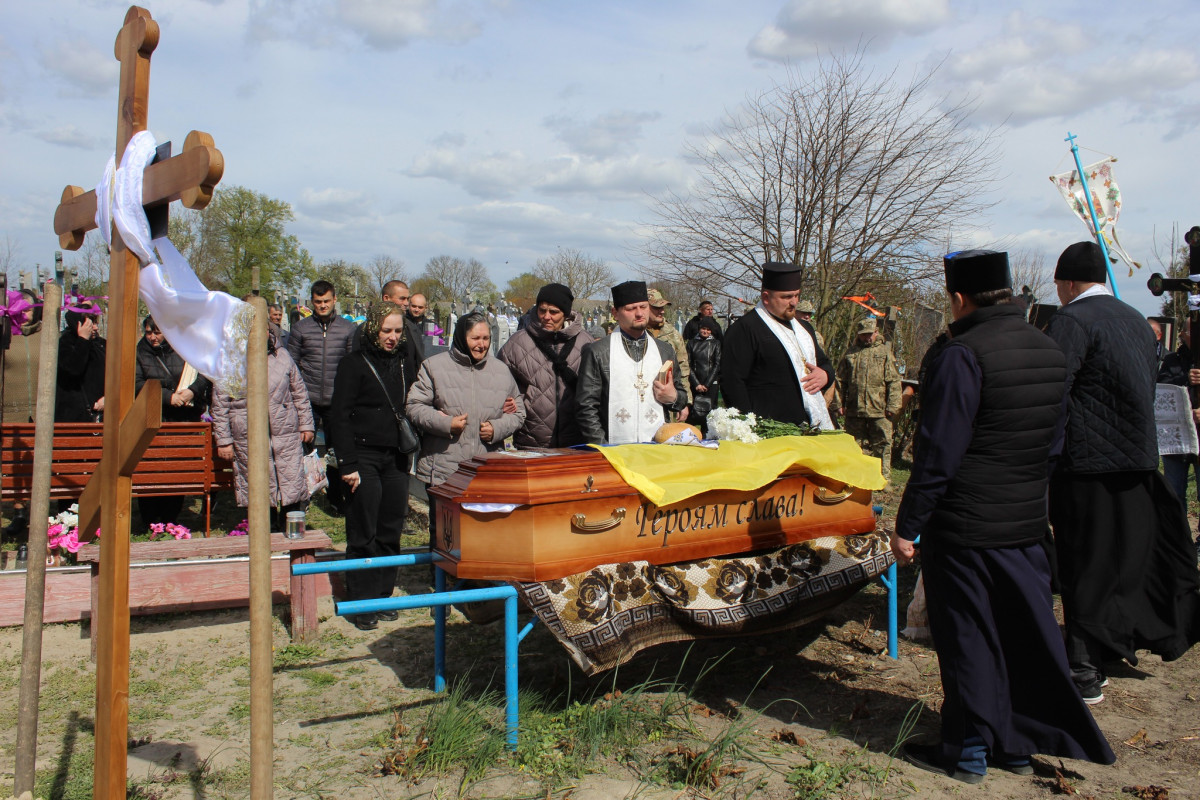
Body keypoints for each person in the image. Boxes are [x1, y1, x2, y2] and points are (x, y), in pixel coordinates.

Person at [893, 249, 1115, 784]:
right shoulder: (1047, 347)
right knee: (1017, 632)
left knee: (969, 635)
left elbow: (938, 451)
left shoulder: (961, 355)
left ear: (959, 298)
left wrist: (908, 525)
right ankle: (1013, 744)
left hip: (966, 525)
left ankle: (968, 748)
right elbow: (1053, 442)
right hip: (1024, 520)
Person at [1046, 241, 1200, 703]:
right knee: (1118, 562)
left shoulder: (1071, 322)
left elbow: (1056, 390)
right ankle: (1111, 646)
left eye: (1059, 284)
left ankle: (1083, 666)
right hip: (1136, 459)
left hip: (1087, 463)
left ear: (1070, 282)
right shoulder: (1135, 319)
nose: (1058, 291)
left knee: (1082, 562)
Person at [329, 302, 422, 631]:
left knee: (390, 528)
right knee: (364, 529)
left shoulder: (402, 364)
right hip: (363, 457)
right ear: (372, 330)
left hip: (395, 456)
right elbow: (338, 416)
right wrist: (347, 464)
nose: (392, 337)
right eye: (386, 330)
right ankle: (361, 600)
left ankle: (382, 594)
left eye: (398, 331)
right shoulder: (353, 364)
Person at [407, 311, 525, 533]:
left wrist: (497, 428)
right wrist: (446, 424)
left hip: (486, 469)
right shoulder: (434, 367)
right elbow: (414, 406)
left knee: (482, 535)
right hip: (444, 468)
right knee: (445, 534)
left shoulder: (501, 370)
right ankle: (439, 569)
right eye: (475, 338)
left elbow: (519, 412)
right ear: (462, 337)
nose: (482, 345)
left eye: (486, 338)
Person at [212, 327, 314, 532]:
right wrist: (224, 440)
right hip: (248, 436)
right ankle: (266, 535)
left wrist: (306, 424)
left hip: (285, 433)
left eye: (263, 329)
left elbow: (299, 392)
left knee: (291, 483)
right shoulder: (230, 362)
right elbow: (220, 404)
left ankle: (291, 532)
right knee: (259, 488)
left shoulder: (282, 356)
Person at [721, 262, 833, 429]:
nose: (794, 303)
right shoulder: (744, 330)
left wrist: (825, 375)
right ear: (766, 297)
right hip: (771, 428)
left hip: (812, 426)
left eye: (796, 295)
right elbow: (732, 383)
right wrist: (748, 427)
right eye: (787, 297)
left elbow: (824, 364)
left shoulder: (805, 328)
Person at [576, 281, 689, 444]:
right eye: (631, 309)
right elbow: (586, 407)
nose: (639, 313)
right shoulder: (598, 352)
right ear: (615, 313)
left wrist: (674, 397)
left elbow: (681, 396)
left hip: (657, 449)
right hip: (614, 450)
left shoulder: (664, 351)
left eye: (643, 307)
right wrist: (604, 448)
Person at [288, 280, 358, 514]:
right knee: (302, 450)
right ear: (312, 302)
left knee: (337, 450)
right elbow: (293, 364)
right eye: (318, 302)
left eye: (327, 301)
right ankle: (301, 498)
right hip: (308, 398)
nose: (323, 305)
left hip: (336, 400)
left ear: (334, 300)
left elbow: (351, 365)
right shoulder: (301, 329)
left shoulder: (347, 329)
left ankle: (337, 500)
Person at [134, 315, 212, 524]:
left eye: (157, 332)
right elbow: (137, 383)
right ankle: (150, 517)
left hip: (183, 419)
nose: (152, 337)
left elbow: (204, 372)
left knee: (177, 465)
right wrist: (168, 397)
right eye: (148, 332)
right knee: (151, 467)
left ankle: (171, 516)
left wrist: (192, 391)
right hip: (153, 418)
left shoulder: (184, 347)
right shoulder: (140, 352)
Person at [497, 282, 594, 448]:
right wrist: (511, 402)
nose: (546, 316)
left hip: (576, 443)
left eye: (554, 312)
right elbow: (498, 386)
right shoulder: (517, 343)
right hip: (530, 443)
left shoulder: (586, 343)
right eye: (542, 310)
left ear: (565, 313)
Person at [837, 317, 902, 479]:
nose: (867, 338)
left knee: (882, 445)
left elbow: (894, 381)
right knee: (852, 446)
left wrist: (893, 406)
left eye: (869, 334)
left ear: (876, 332)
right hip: (854, 409)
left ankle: (882, 478)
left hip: (880, 410)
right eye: (863, 335)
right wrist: (839, 404)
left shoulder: (885, 353)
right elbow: (840, 381)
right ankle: (853, 477)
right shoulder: (850, 353)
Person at [1158, 318, 1200, 522]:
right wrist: (1185, 380)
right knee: (1174, 491)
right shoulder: (1172, 360)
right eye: (1192, 331)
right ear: (1183, 335)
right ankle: (1179, 540)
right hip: (1176, 437)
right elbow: (1161, 390)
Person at [55, 305, 105, 423]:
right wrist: (83, 340)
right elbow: (73, 369)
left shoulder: (101, 344)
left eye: (96, 323)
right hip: (73, 417)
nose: (95, 328)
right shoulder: (65, 343)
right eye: (90, 323)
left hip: (101, 416)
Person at [2, 288, 44, 424]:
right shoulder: (4, 336)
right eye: (17, 309)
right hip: (9, 417)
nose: (22, 315)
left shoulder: (46, 335)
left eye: (26, 310)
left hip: (42, 417)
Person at [647, 288, 691, 409]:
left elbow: (683, 368)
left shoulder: (672, 334)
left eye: (663, 308)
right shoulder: (636, 334)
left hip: (668, 399)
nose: (661, 311)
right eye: (656, 307)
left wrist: (685, 402)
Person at [686, 316, 721, 435]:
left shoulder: (716, 344)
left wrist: (707, 384)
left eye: (708, 329)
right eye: (703, 329)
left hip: (711, 384)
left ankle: (708, 436)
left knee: (709, 414)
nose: (705, 331)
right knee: (694, 412)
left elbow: (717, 364)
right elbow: (688, 364)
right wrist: (696, 384)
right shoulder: (691, 343)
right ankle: (691, 435)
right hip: (695, 383)